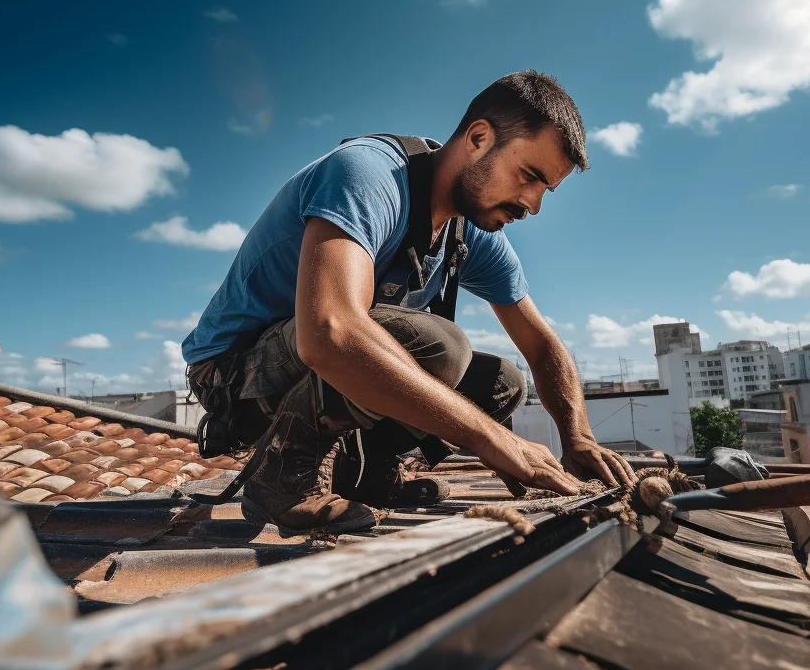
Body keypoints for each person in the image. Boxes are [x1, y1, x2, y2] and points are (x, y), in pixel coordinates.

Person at [183, 70, 629, 536]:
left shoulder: (469, 231)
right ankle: (281, 477)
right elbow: (330, 333)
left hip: (309, 368)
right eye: (529, 176)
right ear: (478, 138)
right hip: (234, 374)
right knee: (439, 347)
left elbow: (540, 346)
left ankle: (371, 475)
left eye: (546, 190)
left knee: (501, 383)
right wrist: (494, 440)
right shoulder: (368, 175)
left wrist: (577, 437)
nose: (533, 205)